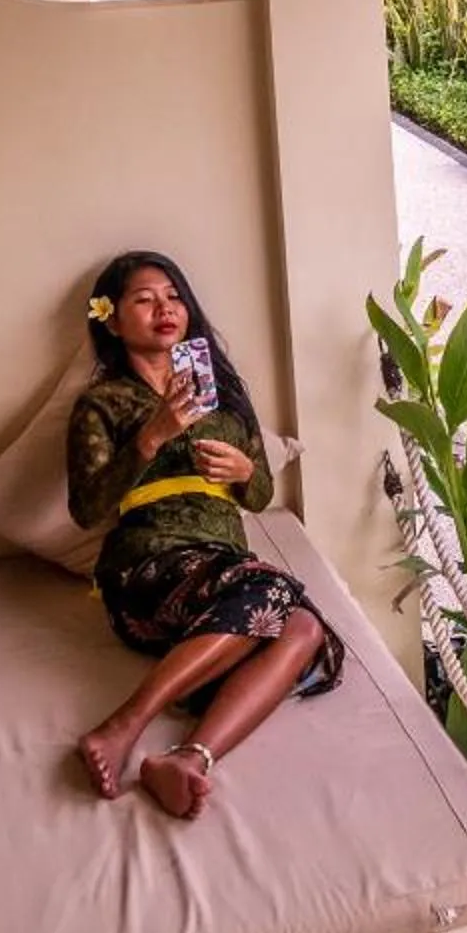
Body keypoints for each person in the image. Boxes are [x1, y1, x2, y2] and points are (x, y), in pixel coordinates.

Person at [68, 250, 341, 816]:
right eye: (144, 299)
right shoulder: (103, 402)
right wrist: (151, 437)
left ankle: (190, 758)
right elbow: (87, 508)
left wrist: (245, 472)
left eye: (173, 297)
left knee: (305, 629)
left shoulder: (224, 399)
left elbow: (261, 494)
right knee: (275, 595)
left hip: (220, 573)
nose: (164, 308)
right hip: (145, 567)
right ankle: (123, 725)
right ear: (113, 321)